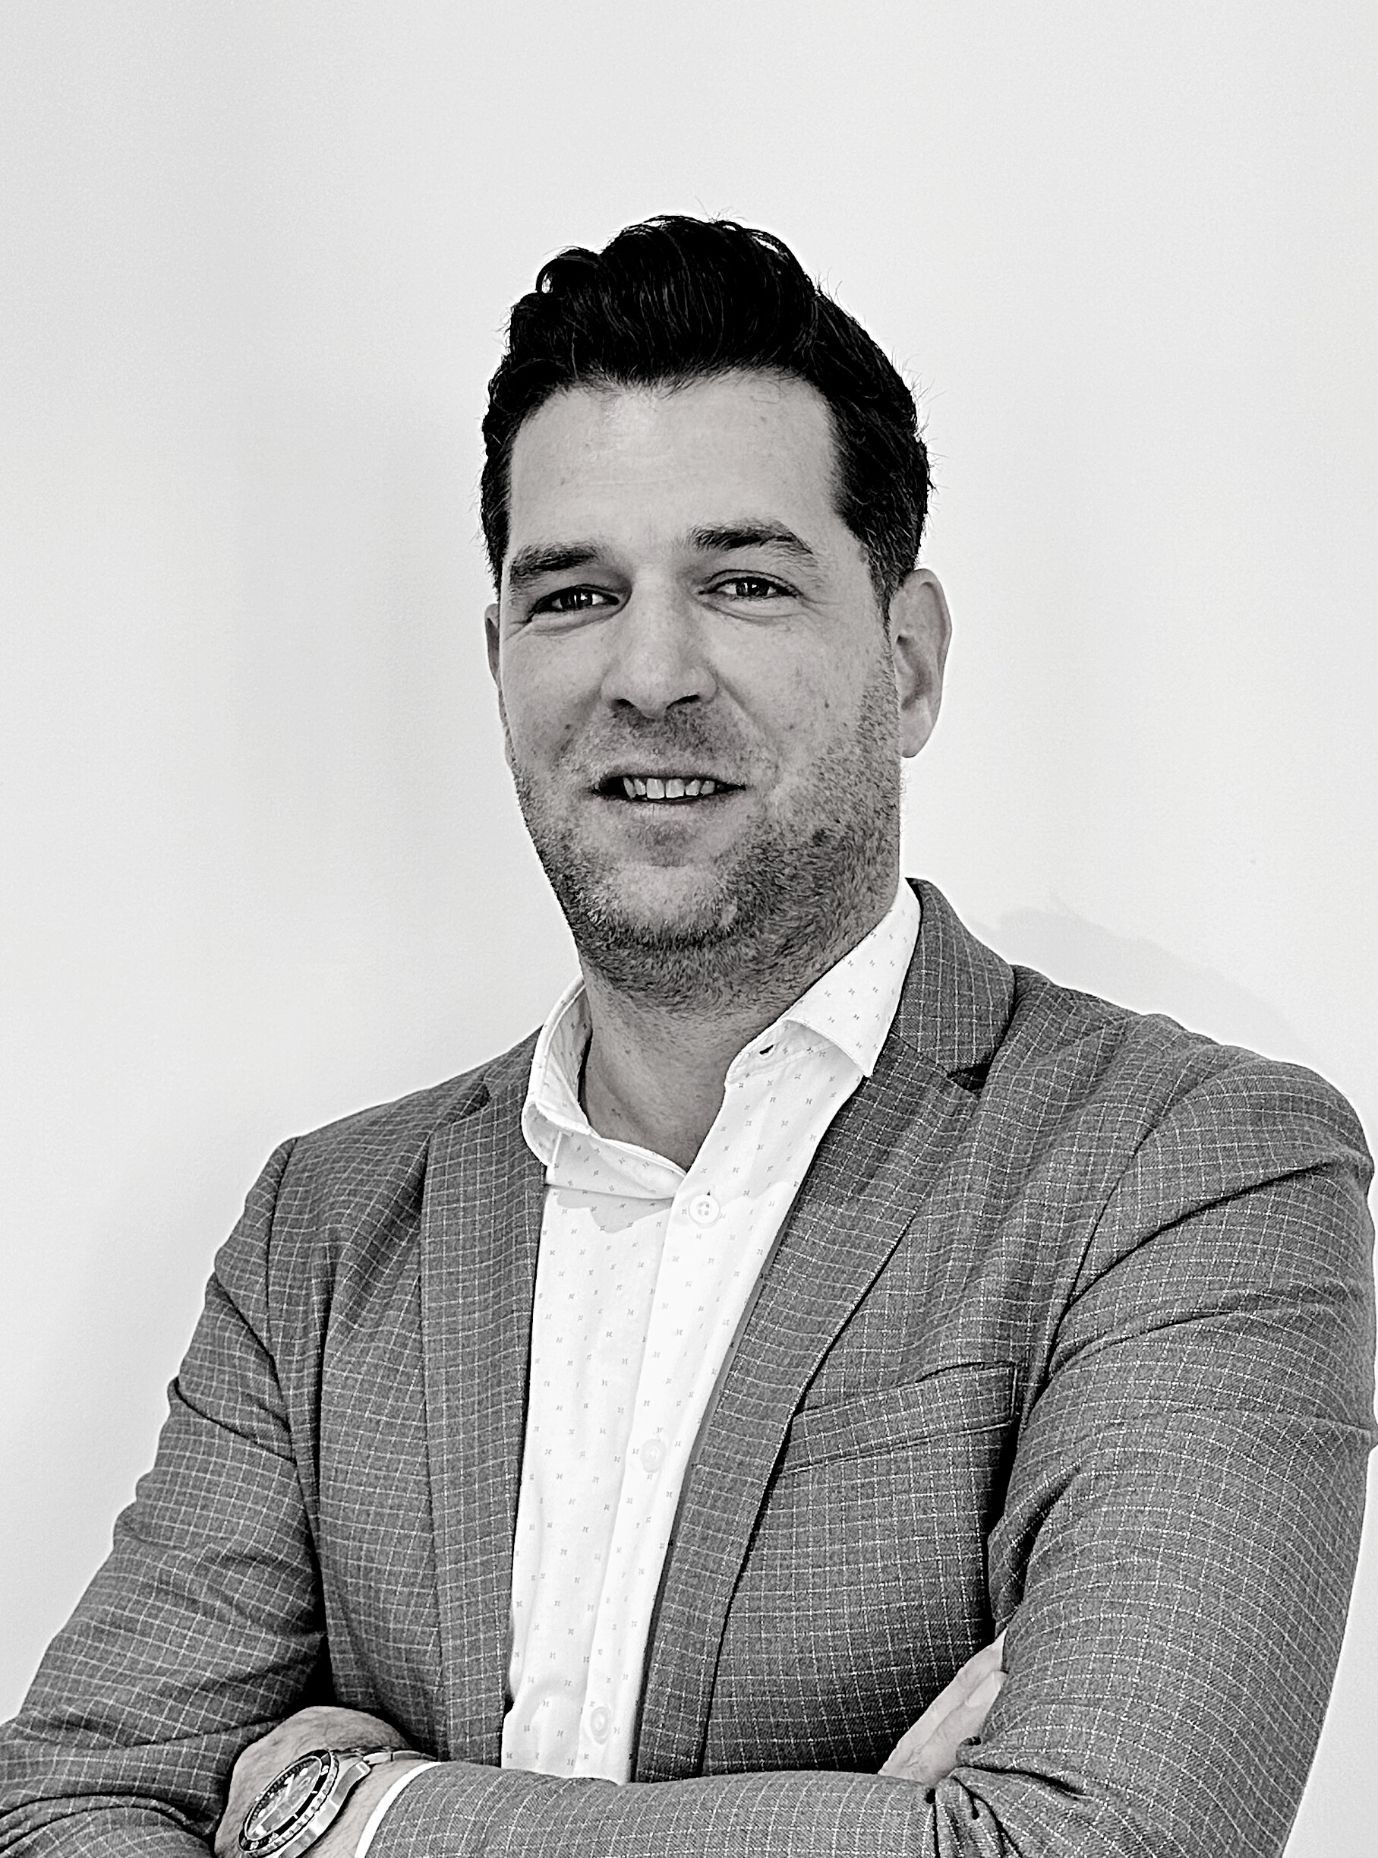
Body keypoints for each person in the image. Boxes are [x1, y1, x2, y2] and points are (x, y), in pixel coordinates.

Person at [1, 216, 1373, 1858]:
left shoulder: (1189, 1169)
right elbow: (68, 1802)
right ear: (499, 662)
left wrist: (360, 1815)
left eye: (742, 582)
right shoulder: (329, 1227)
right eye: (576, 594)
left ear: (908, 661)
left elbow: (1102, 1847)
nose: (647, 672)